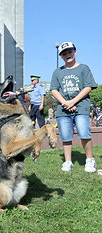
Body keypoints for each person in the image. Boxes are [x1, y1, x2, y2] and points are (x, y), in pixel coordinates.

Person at [50, 41, 97, 172]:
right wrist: (65, 102)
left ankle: (89, 160)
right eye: (64, 54)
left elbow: (88, 87)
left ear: (75, 52)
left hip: (81, 106)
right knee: (65, 136)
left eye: (70, 52)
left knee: (84, 132)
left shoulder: (84, 68)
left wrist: (73, 102)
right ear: (61, 57)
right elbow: (54, 89)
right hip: (63, 109)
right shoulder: (57, 72)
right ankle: (68, 161)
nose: (67, 55)